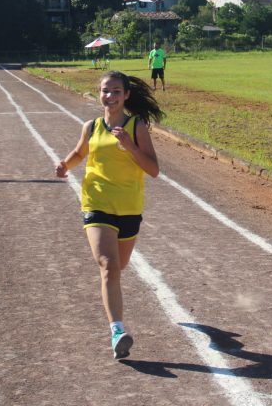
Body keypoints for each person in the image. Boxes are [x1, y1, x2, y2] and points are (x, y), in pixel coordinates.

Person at [56, 71, 164, 359]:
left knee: (118, 266)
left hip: (128, 208)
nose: (110, 96)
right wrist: (65, 165)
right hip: (96, 203)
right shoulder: (91, 127)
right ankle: (117, 330)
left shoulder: (136, 126)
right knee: (107, 265)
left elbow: (153, 170)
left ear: (126, 95)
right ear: (99, 93)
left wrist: (130, 146)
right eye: (106, 91)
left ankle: (113, 307)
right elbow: (81, 153)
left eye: (116, 91)